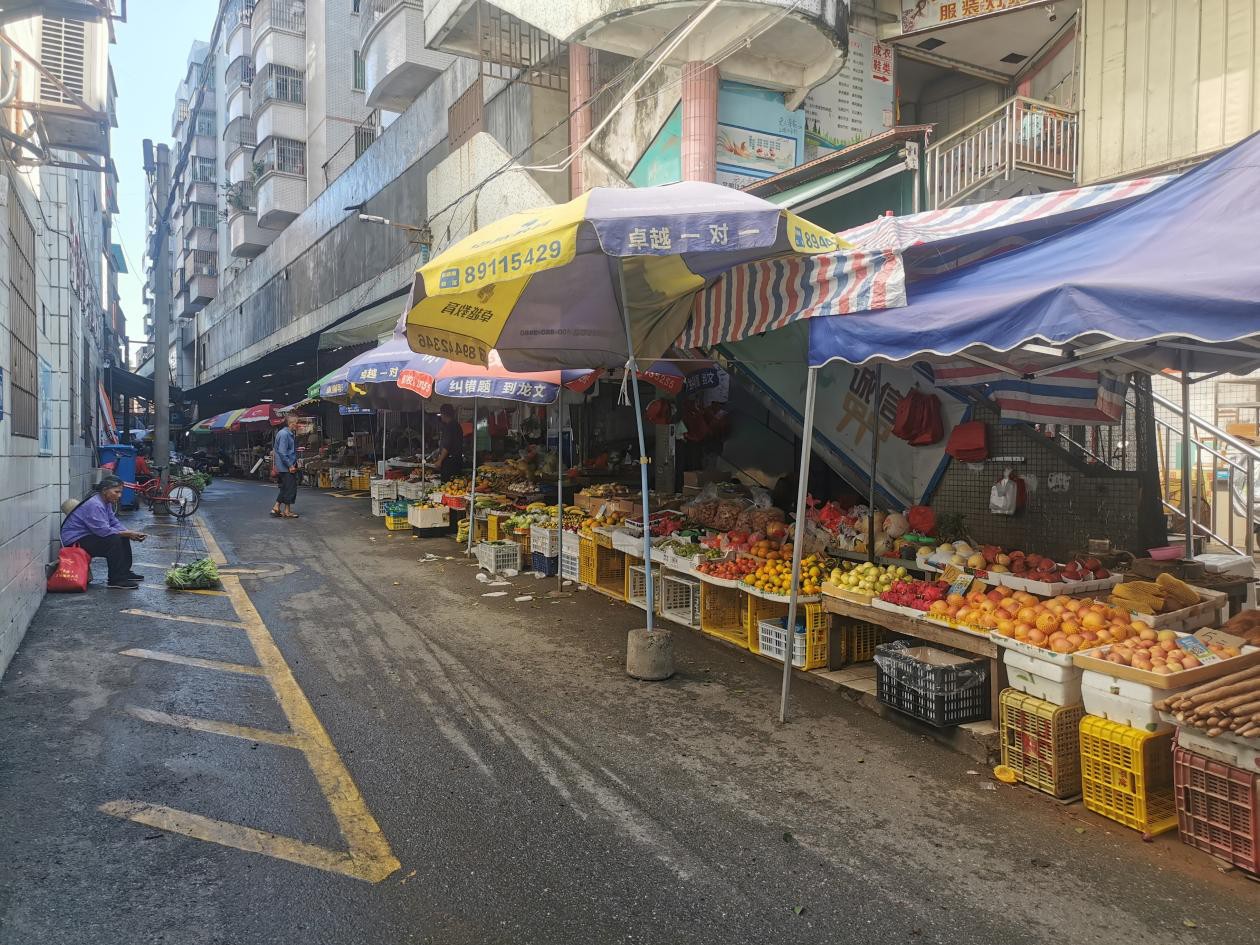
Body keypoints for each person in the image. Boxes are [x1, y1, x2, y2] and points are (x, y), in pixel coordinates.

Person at [61, 475, 147, 589]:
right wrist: (128, 533)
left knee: (122, 536)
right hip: (74, 541)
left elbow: (113, 521)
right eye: (116, 492)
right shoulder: (95, 504)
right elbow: (103, 531)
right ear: (105, 490)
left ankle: (124, 572)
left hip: (88, 536)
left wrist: (128, 532)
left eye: (120, 492)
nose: (119, 495)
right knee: (114, 539)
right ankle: (116, 579)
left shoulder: (106, 502)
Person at [271, 414, 300, 518]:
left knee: (285, 488)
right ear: (291, 423)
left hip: (285, 466)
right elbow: (282, 452)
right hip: (286, 467)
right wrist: (290, 465)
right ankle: (285, 511)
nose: (297, 425)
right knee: (290, 488)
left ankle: (278, 507)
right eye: (296, 423)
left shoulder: (286, 433)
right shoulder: (284, 434)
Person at [433, 404, 466, 480]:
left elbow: (447, 446)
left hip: (450, 462)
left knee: (447, 482)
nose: (441, 416)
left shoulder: (449, 427)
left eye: (441, 414)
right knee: (454, 483)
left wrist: (440, 460)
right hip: (457, 460)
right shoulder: (457, 425)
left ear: (444, 414)